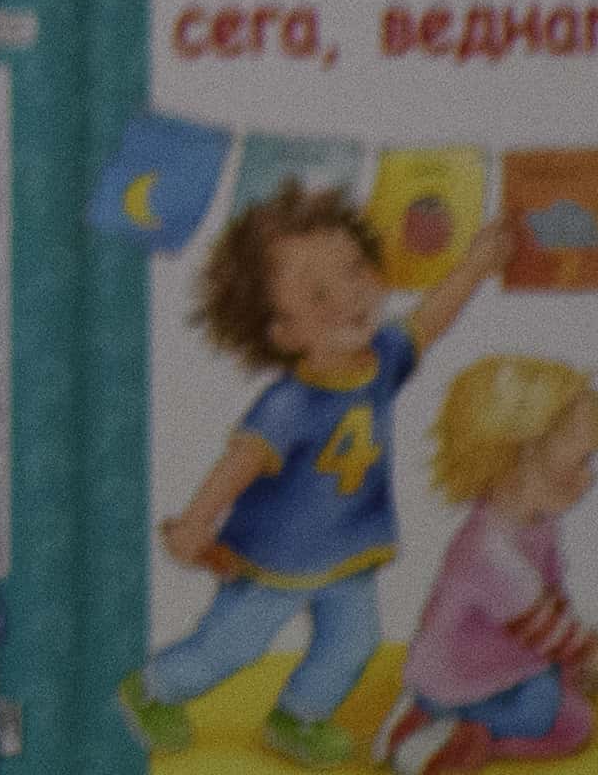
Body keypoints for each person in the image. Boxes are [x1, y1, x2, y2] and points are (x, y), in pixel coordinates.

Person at [147, 172, 511, 755]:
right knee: (232, 645)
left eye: (355, 271)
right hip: (274, 556)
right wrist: (196, 523)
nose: (351, 296)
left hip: (349, 547)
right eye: (319, 294)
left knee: (354, 640)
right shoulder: (289, 403)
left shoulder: (384, 358)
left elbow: (430, 319)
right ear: (284, 332)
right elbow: (237, 464)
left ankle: (297, 716)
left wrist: (474, 267)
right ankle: (153, 690)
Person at [384, 353, 598, 770]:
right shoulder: (488, 549)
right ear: (521, 456)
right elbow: (542, 624)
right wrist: (592, 651)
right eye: (581, 460)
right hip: (462, 680)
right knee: (570, 724)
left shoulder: (538, 523)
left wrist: (574, 657)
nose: (590, 477)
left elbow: (551, 600)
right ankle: (453, 729)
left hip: (496, 666)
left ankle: (441, 718)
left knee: (562, 693)